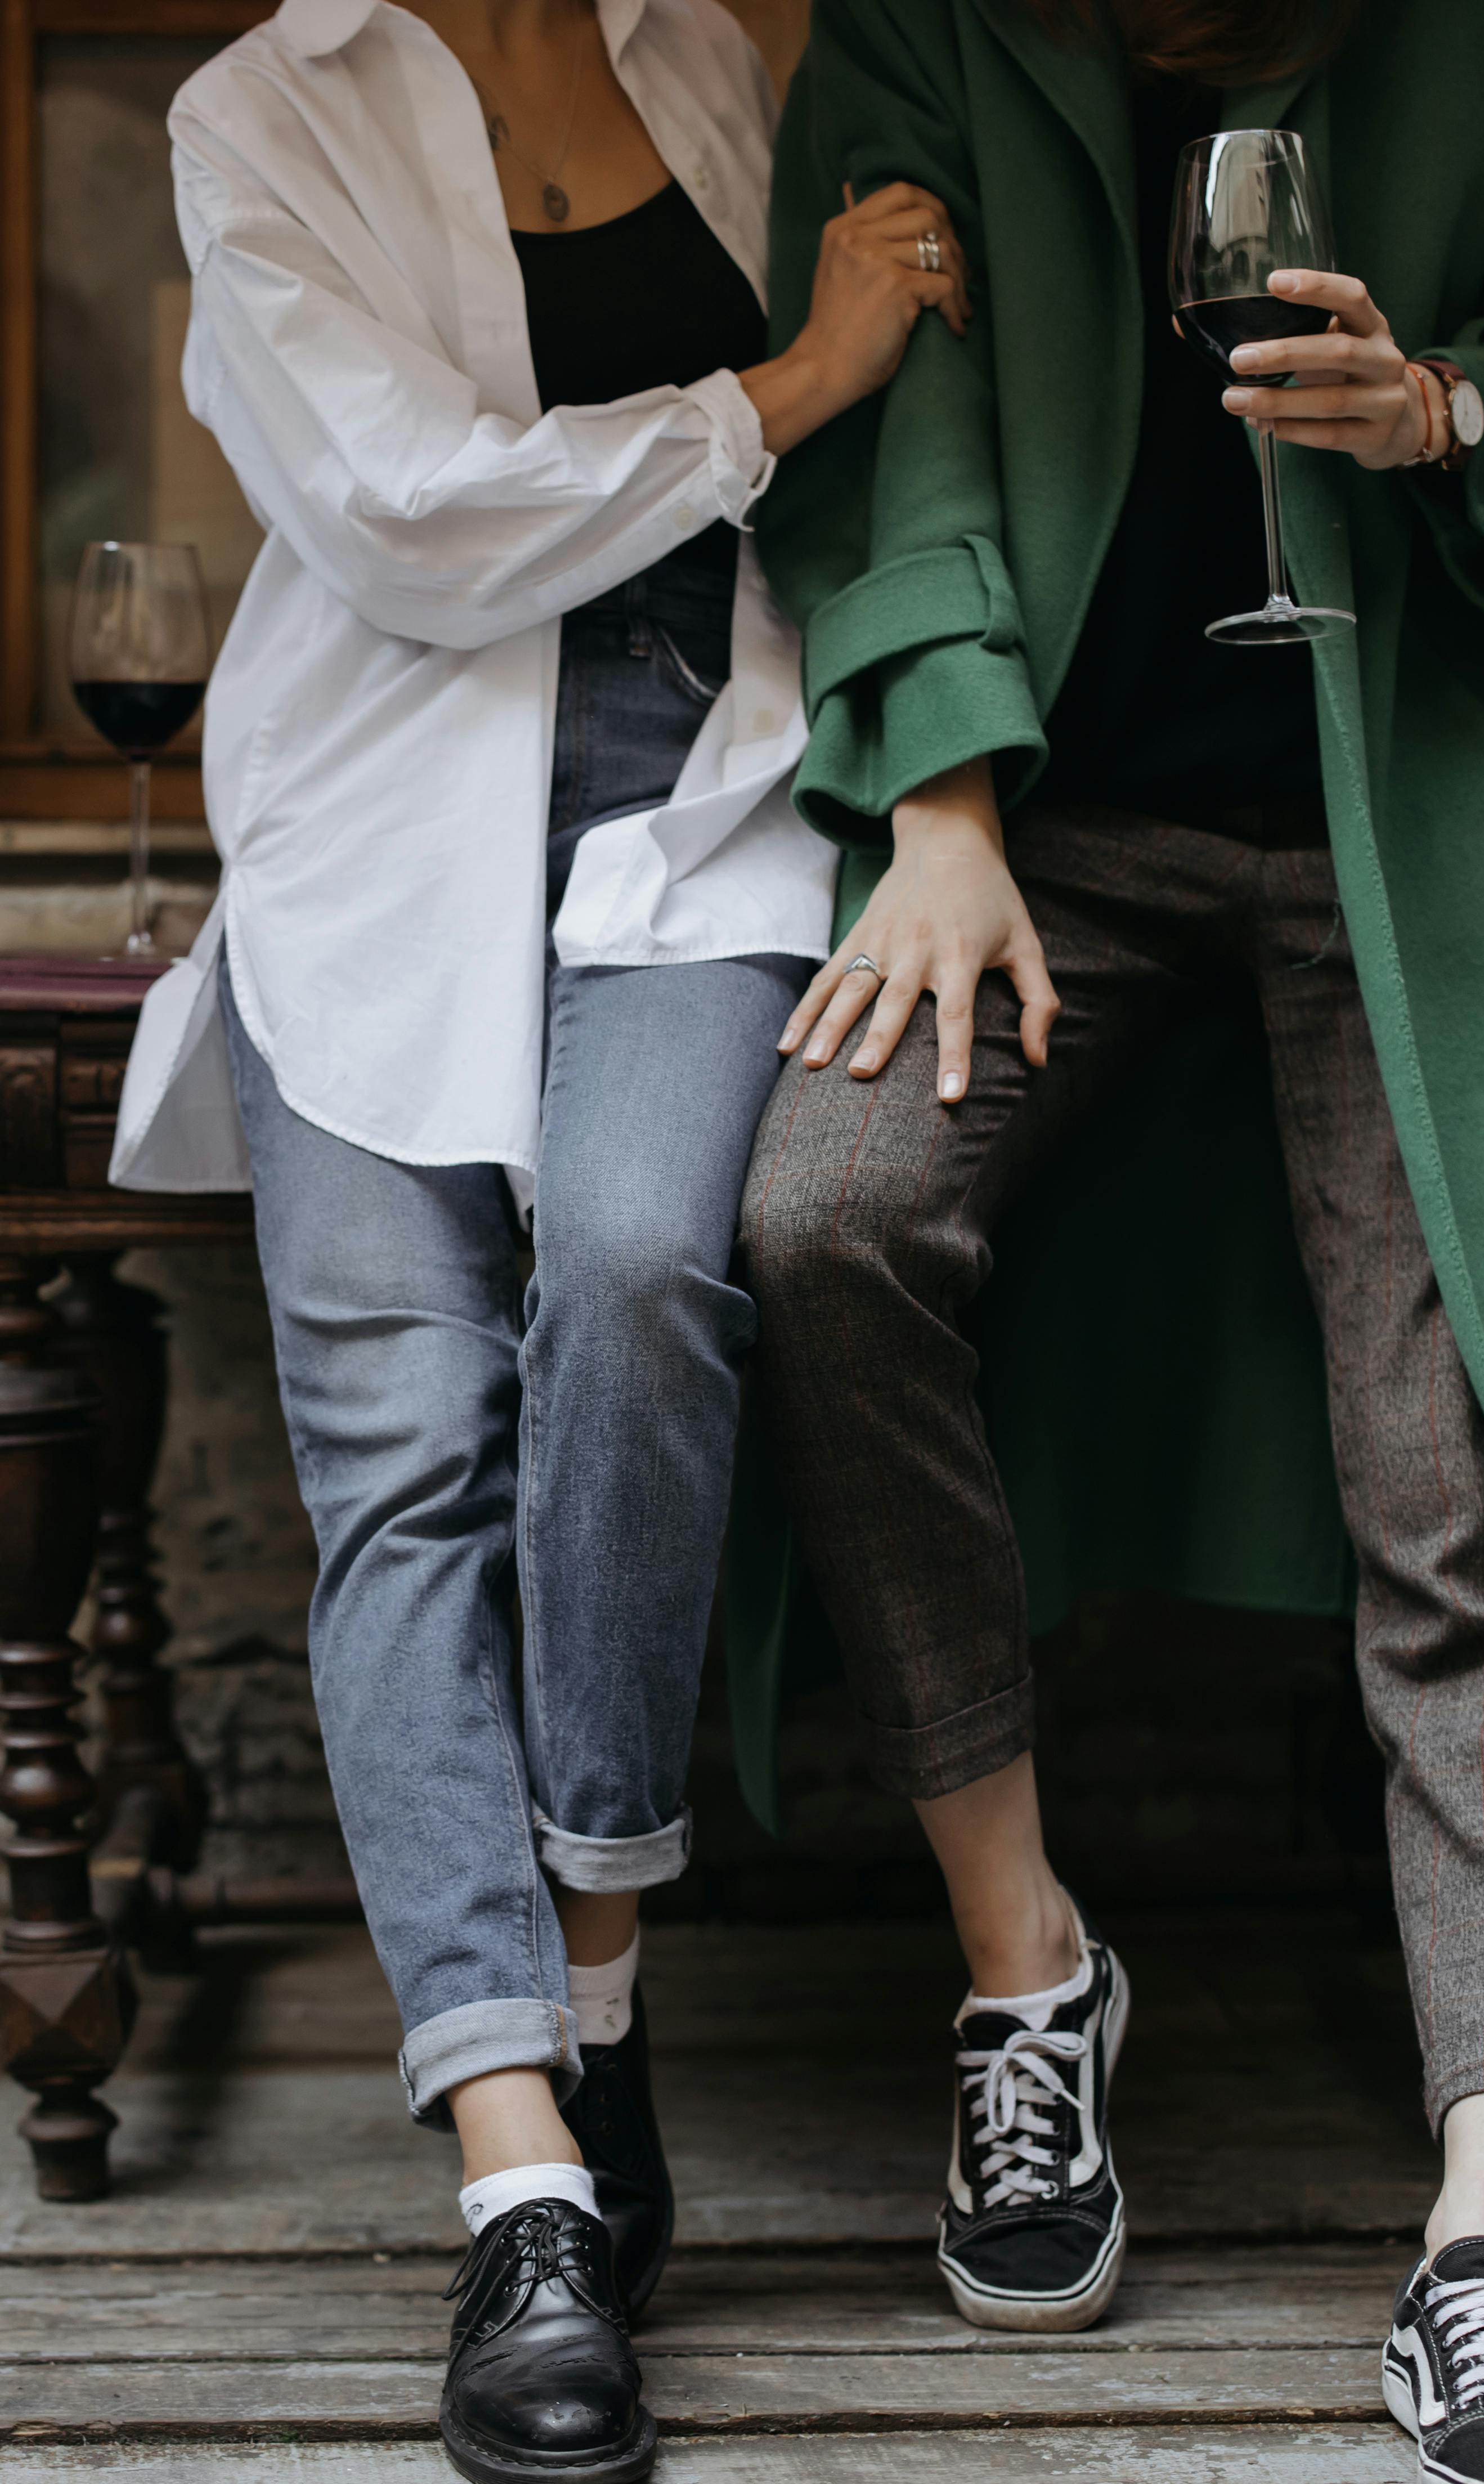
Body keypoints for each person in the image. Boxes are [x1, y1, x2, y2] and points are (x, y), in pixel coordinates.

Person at [738, 1, 1484, 2477]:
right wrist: (935, 788)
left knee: (1465, 1464)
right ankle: (1030, 1983)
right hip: (1038, 817)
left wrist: (1451, 412)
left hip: (1428, 809)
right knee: (822, 1219)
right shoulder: (923, 19)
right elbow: (888, 403)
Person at [109, 1, 966, 2476]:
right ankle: (518, 2182)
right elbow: (402, 515)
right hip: (372, 850)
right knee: (400, 1463)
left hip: (702, 838)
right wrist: (786, 378)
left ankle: (592, 1983)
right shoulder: (261, 109)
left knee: (631, 1272)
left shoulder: (715, 59)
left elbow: (863, 480)